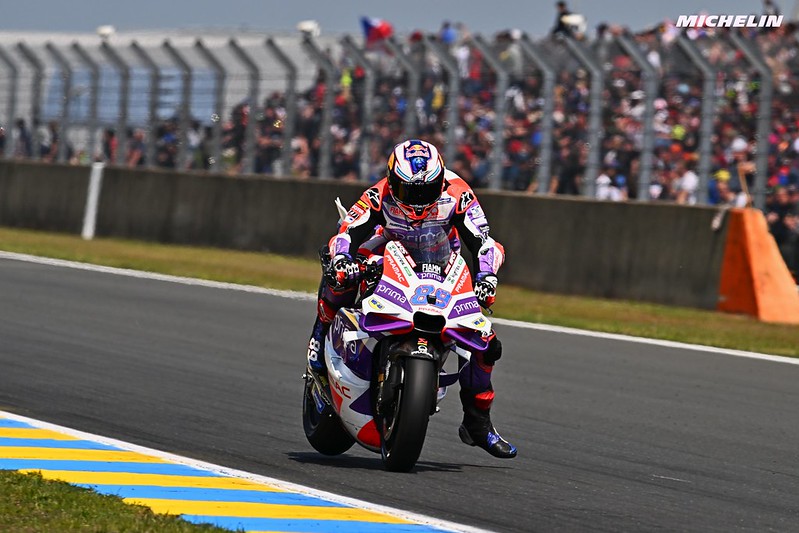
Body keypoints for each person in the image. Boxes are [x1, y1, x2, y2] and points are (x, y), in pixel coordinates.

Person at [306, 139, 517, 459]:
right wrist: (342, 260)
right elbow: (347, 231)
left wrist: (487, 277)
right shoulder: (378, 194)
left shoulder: (459, 194)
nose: (417, 201)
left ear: (440, 181)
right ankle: (319, 338)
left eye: (426, 190)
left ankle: (477, 421)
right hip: (385, 254)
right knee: (342, 278)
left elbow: (485, 242)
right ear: (392, 182)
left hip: (440, 264)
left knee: (486, 342)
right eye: (408, 191)